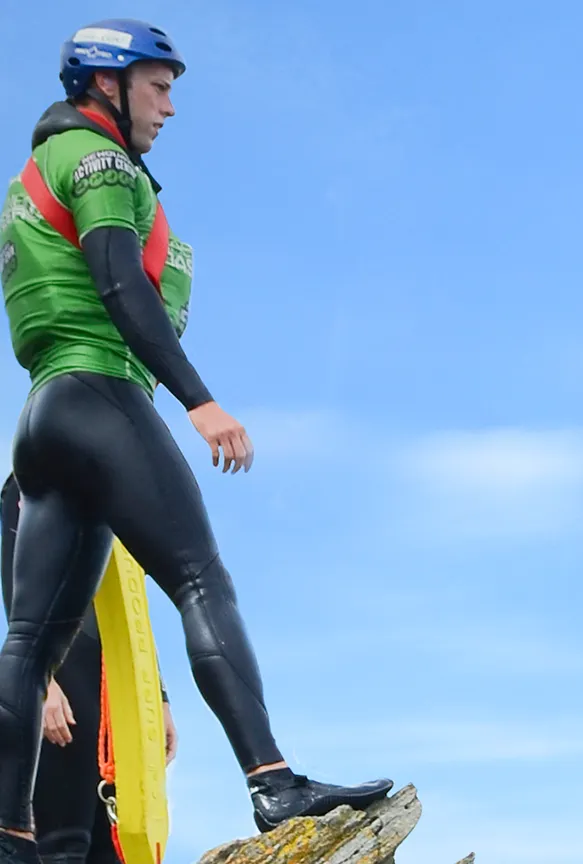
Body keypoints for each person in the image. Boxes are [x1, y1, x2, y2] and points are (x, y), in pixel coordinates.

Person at [0, 19, 392, 860]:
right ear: (106, 85)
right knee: (200, 577)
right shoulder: (97, 159)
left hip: (42, 415)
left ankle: (10, 837)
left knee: (32, 640)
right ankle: (274, 781)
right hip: (102, 390)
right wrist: (200, 402)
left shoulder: (43, 167)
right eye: (159, 86)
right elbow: (114, 280)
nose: (170, 107)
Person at [1, 473, 175, 864]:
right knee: (62, 840)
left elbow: (134, 610)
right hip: (63, 666)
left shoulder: (121, 494)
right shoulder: (34, 472)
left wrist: (158, 697)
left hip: (118, 680)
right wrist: (42, 681)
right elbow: (18, 584)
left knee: (116, 841)